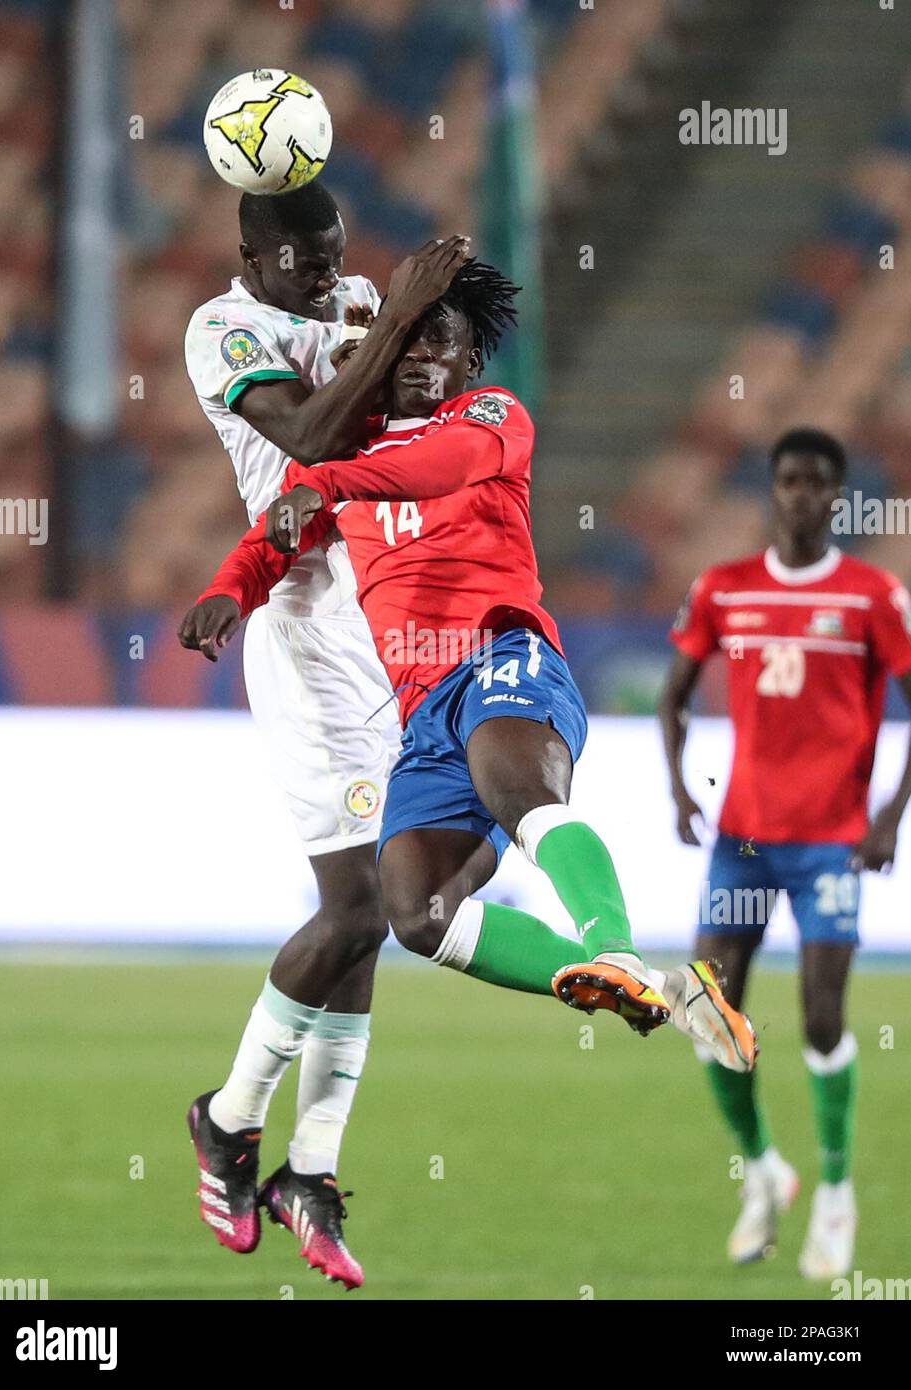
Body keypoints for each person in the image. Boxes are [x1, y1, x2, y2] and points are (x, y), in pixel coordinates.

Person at [181, 260, 758, 1137]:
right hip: (421, 714)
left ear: (468, 364)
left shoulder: (487, 420)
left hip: (503, 655)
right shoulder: (351, 455)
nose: (414, 358)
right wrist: (231, 586)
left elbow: (431, 469)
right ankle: (656, 992)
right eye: (401, 342)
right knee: (413, 911)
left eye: (436, 343)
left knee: (514, 787)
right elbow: (275, 540)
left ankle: (614, 944)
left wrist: (324, 483)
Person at [183, 177, 472, 1287]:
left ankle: (310, 1168)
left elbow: (403, 420)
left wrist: (422, 323)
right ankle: (228, 1113)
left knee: (366, 916)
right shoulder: (224, 329)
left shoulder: (354, 299)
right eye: (302, 262)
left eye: (337, 257)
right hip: (304, 628)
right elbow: (308, 436)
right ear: (251, 256)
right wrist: (393, 316)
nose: (324, 278)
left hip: (390, 617)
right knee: (361, 904)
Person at [659, 427, 911, 1277]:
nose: (801, 493)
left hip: (831, 844)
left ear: (838, 495)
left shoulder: (874, 595)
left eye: (817, 482)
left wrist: (888, 818)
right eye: (789, 479)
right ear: (772, 489)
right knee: (705, 1012)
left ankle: (836, 1192)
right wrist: (676, 788)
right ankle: (764, 1169)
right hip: (743, 837)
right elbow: (673, 695)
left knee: (821, 1017)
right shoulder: (724, 589)